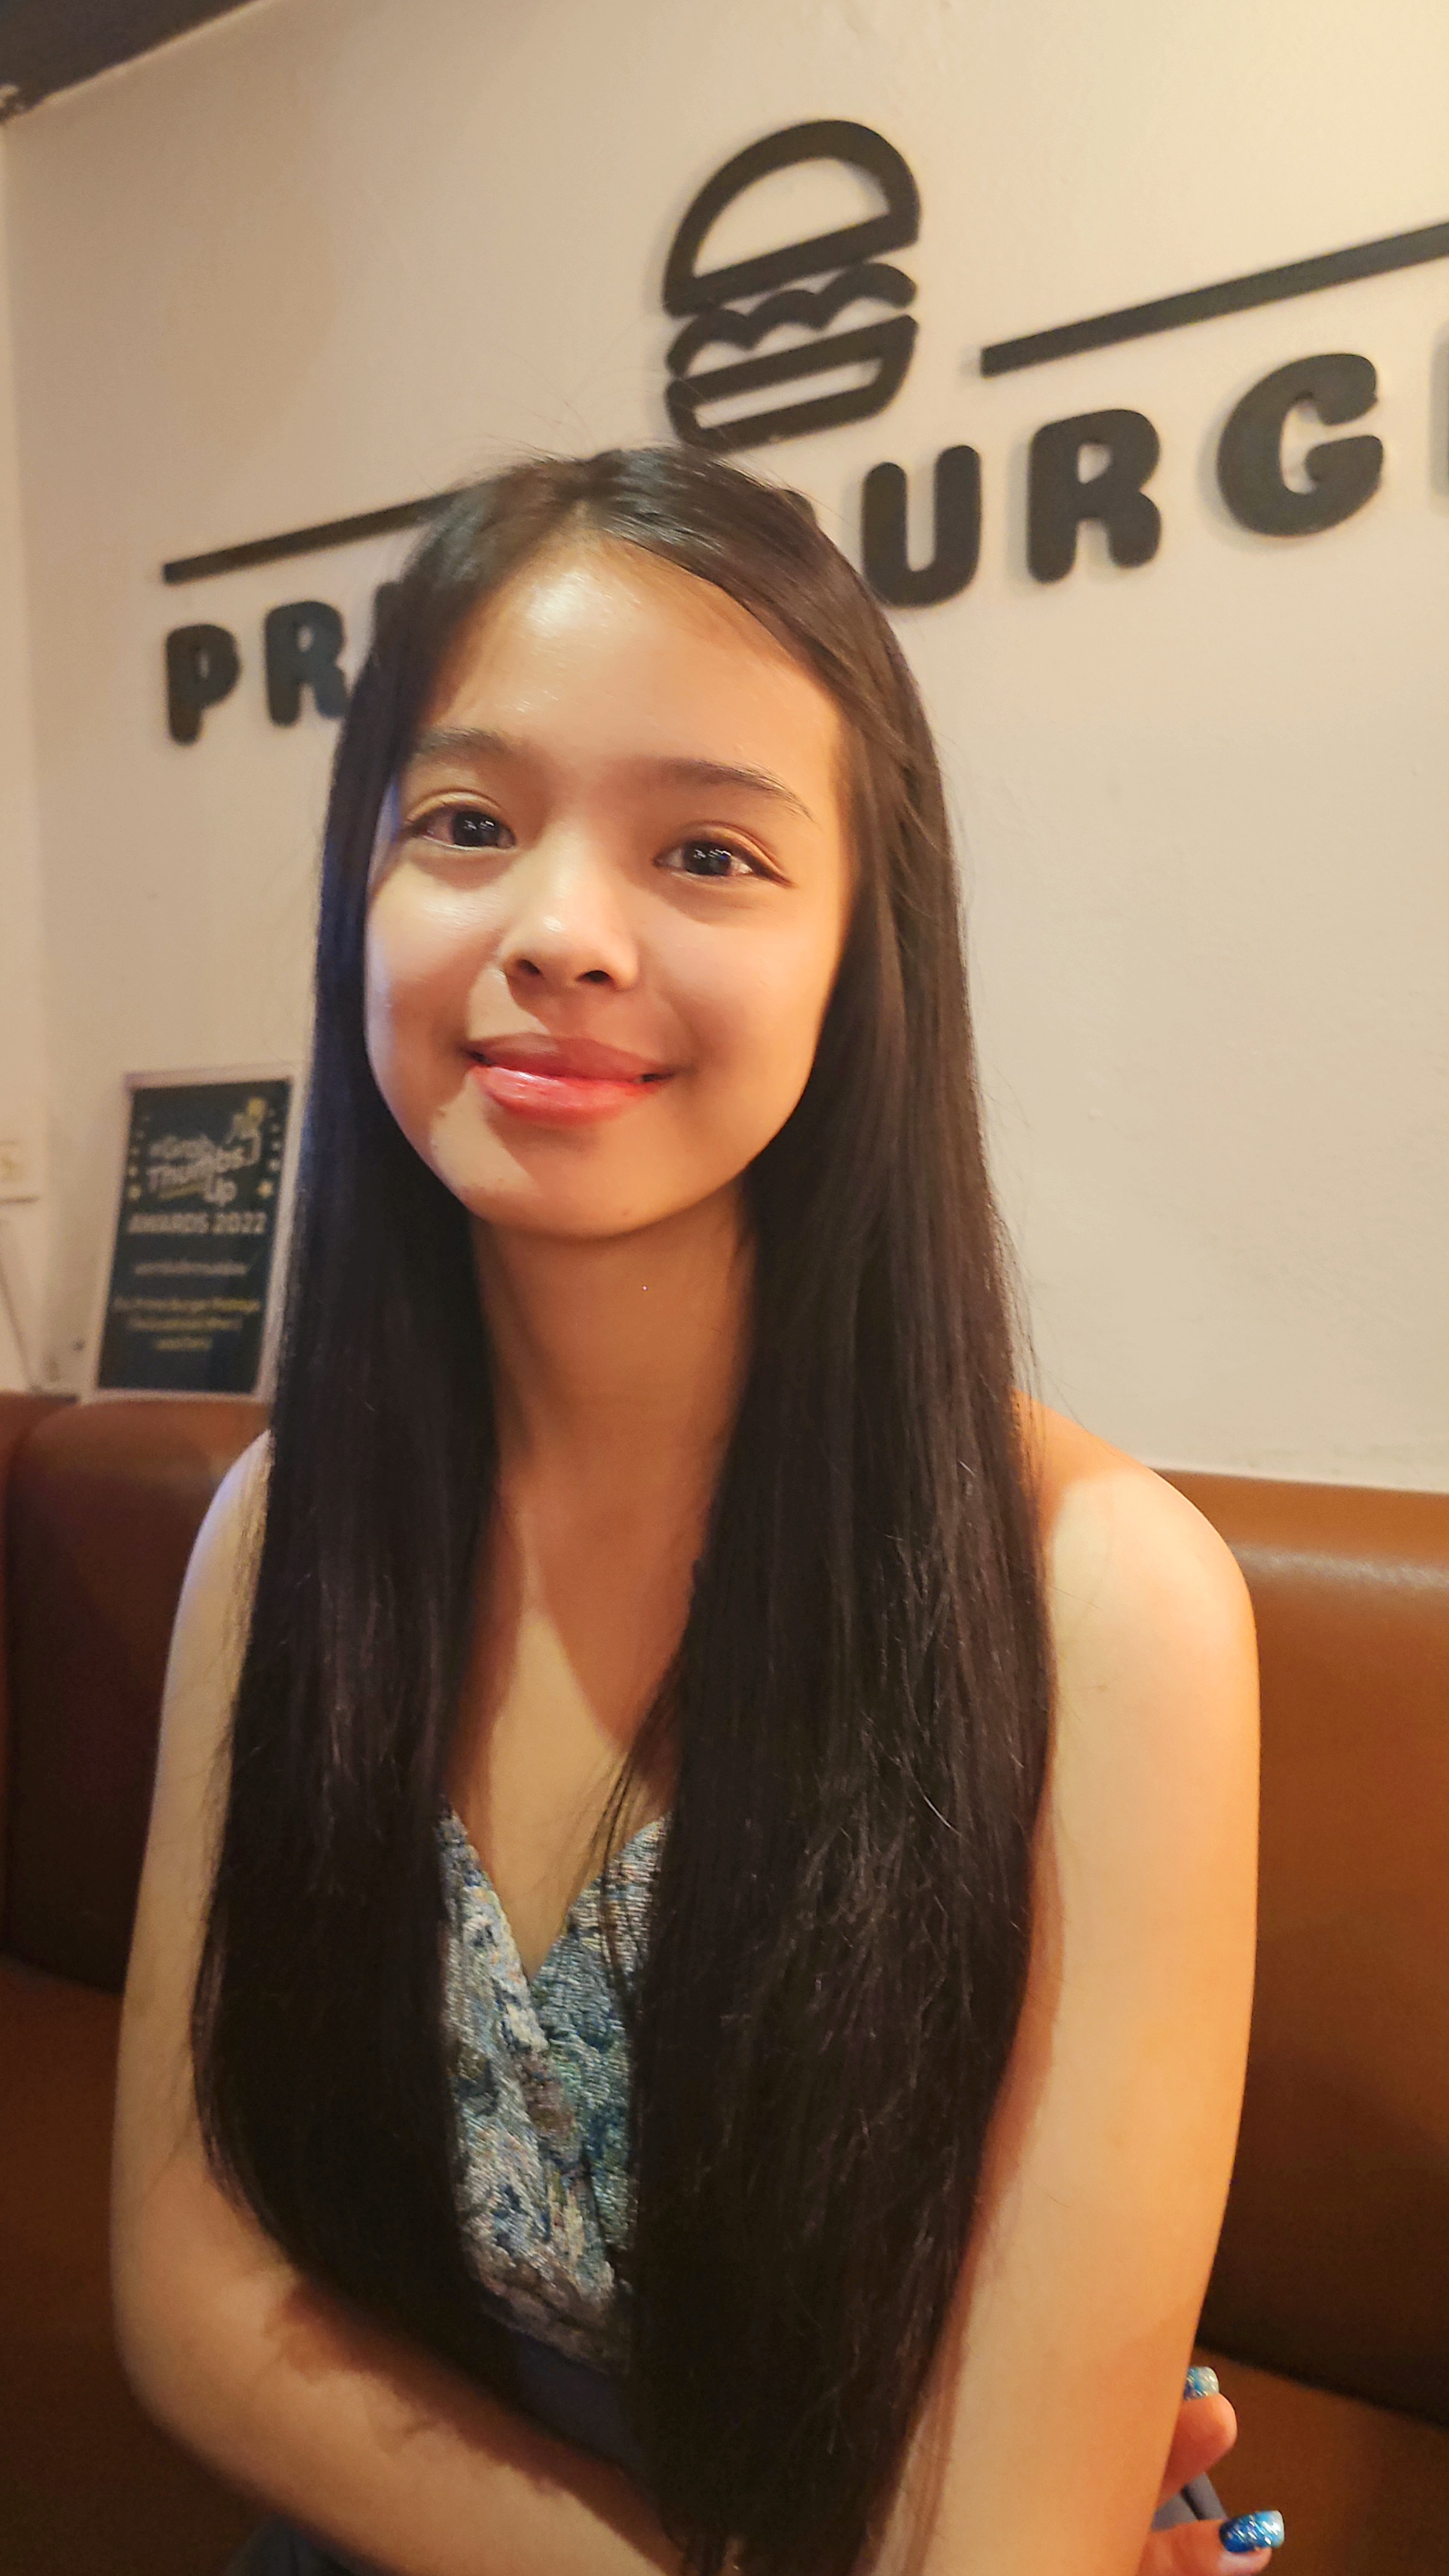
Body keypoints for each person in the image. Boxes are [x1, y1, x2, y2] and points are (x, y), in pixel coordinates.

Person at [112, 446, 1281, 2576]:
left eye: (710, 852)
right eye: (467, 824)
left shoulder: (1103, 1607)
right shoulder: (285, 1536)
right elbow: (198, 2292)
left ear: (861, 950)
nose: (560, 933)